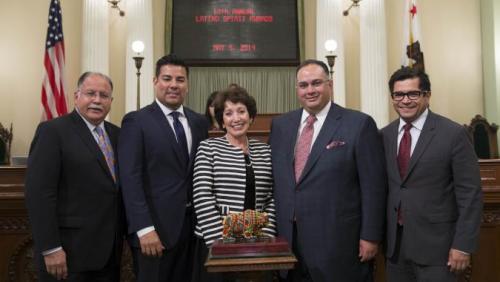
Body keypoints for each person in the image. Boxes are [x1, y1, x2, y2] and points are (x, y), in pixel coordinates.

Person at [269, 59, 387, 281]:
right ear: (297, 89)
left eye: (316, 83)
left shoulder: (359, 124)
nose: (310, 90)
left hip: (339, 243)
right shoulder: (281, 126)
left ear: (330, 85)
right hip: (289, 242)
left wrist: (370, 236)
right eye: (303, 85)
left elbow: (374, 187)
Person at [381, 67, 483, 282]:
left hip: (439, 250)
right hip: (395, 249)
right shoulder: (384, 135)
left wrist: (463, 245)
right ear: (392, 98)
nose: (405, 100)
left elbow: (470, 195)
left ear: (427, 95)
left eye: (413, 94)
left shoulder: (453, 134)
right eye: (399, 95)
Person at [25, 72, 124, 281]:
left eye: (104, 95)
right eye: (90, 93)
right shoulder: (53, 131)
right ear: (76, 96)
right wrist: (50, 248)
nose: (97, 100)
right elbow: (40, 195)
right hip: (68, 255)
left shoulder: (118, 134)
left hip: (109, 256)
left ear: (111, 101)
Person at [118, 54, 209, 282]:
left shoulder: (198, 122)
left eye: (180, 79)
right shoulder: (136, 121)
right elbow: (130, 179)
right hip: (154, 232)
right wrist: (143, 228)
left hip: (193, 232)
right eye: (167, 78)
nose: (173, 85)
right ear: (155, 81)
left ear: (187, 84)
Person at [192, 86, 276, 281]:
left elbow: (272, 196)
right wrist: (221, 240)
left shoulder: (264, 150)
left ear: (251, 116)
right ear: (222, 120)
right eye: (228, 113)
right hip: (215, 241)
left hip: (257, 240)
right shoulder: (208, 148)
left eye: (241, 111)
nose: (236, 118)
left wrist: (266, 232)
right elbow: (202, 196)